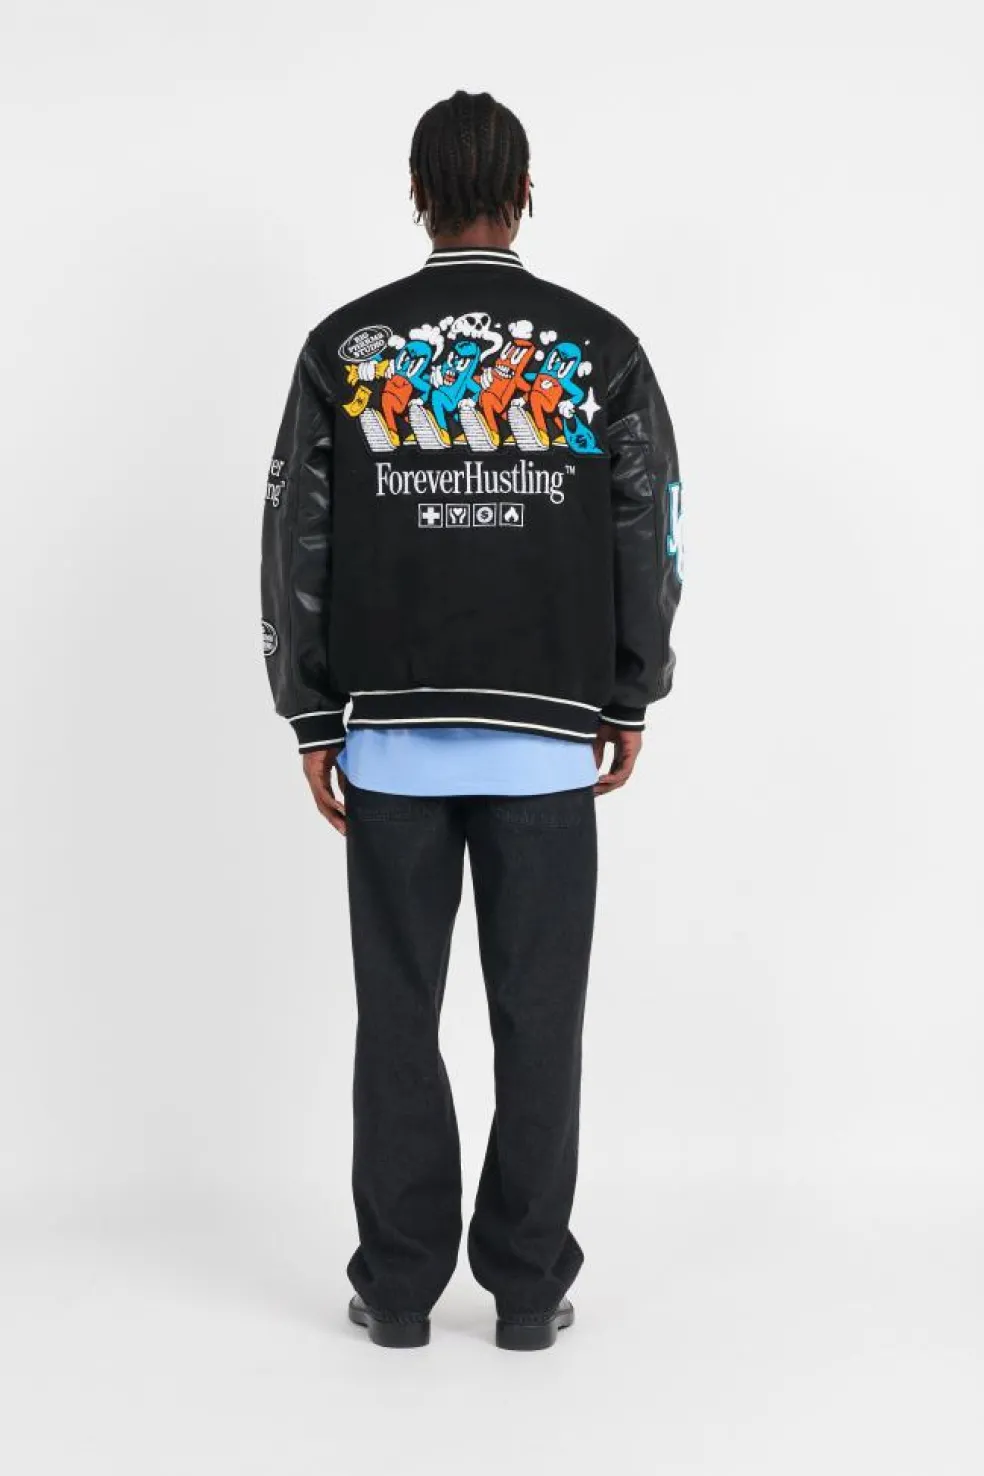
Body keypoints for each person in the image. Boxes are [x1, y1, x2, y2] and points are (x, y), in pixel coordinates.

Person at [260, 90, 682, 1352]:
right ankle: (529, 1292)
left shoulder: (345, 350)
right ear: (526, 188)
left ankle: (397, 1294)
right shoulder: (600, 348)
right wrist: (631, 687)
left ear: (417, 192)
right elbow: (650, 528)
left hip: (393, 742)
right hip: (547, 744)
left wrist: (313, 713)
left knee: (398, 1015)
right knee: (538, 1021)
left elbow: (296, 540)